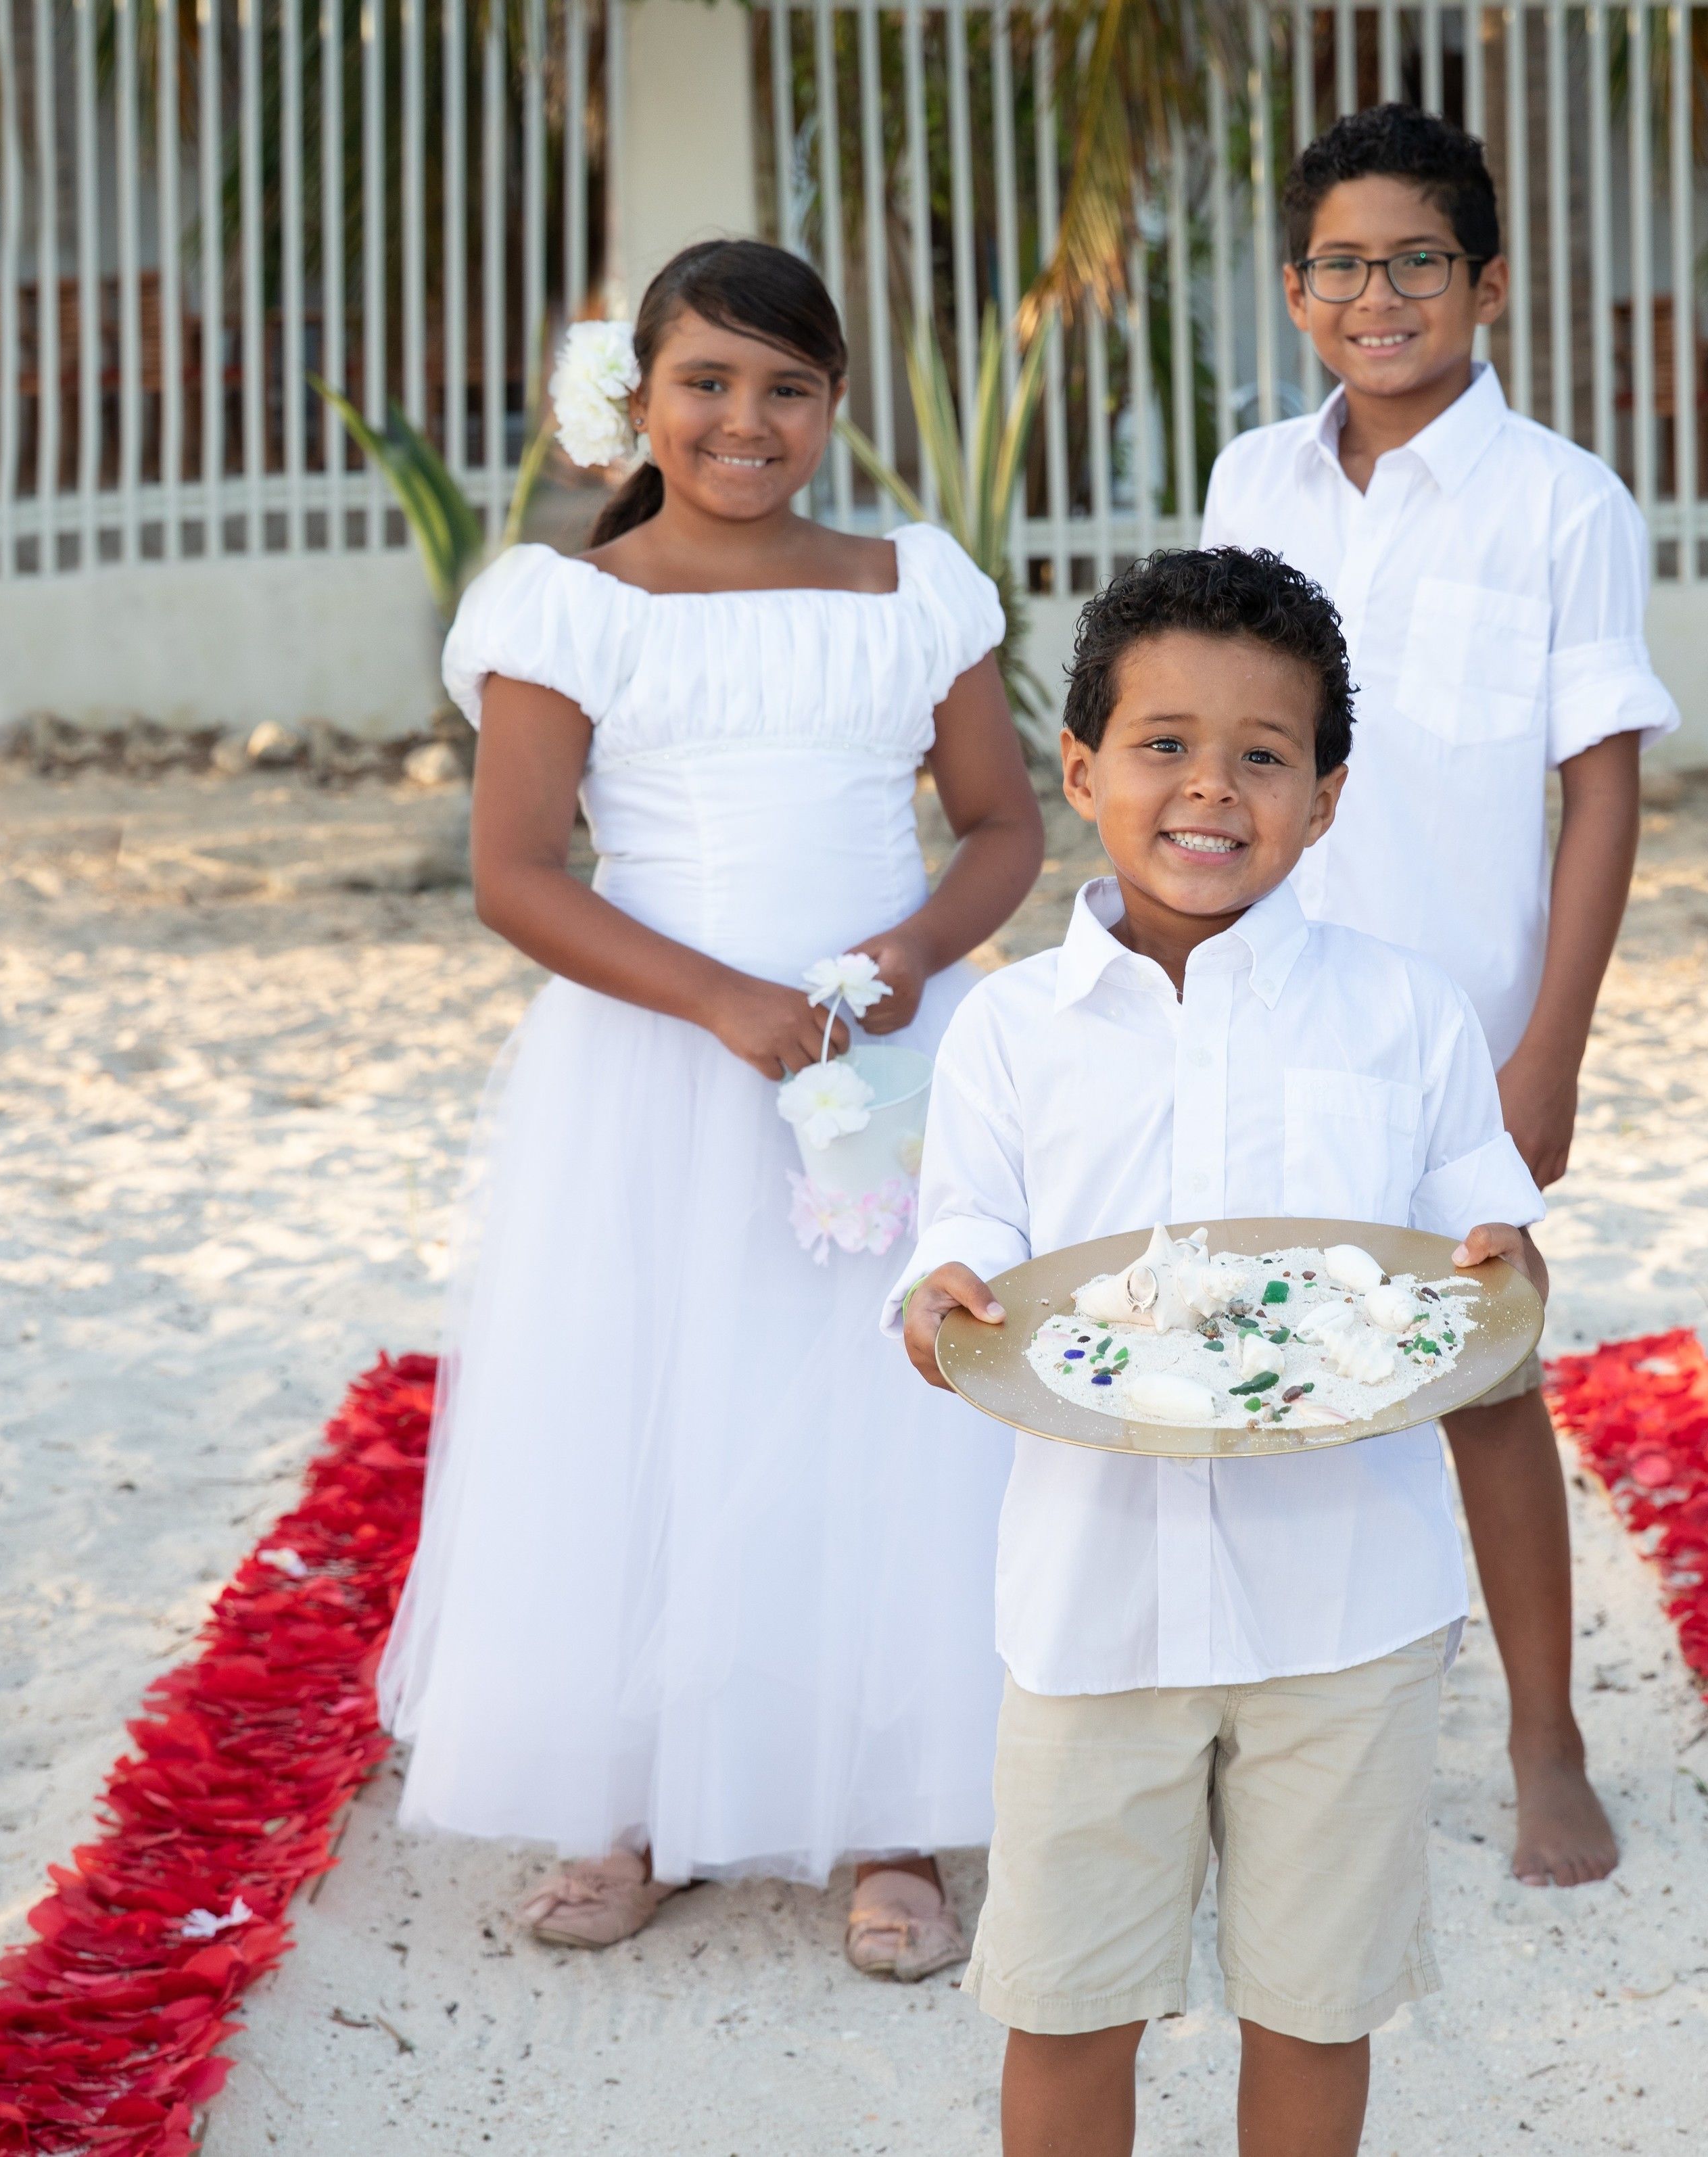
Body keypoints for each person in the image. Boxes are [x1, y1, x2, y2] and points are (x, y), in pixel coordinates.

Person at [376, 239, 1044, 1978]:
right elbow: (518, 876)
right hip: (651, 1063)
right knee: (647, 1403)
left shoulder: (915, 585)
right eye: (709, 382)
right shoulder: (564, 606)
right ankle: (647, 1798)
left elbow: (1001, 826)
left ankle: (891, 1810)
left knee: (875, 1412)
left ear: (834, 405)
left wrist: (904, 955)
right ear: (642, 397)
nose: (748, 423)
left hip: (878, 1058)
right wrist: (724, 1000)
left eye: (788, 388)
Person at [893, 548, 1548, 2157]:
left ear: (1326, 797)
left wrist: (1501, 1266)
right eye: (1164, 744)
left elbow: (1487, 1261)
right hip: (1088, 1612)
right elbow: (957, 1260)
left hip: (1350, 1613)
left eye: (1264, 755)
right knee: (1062, 2004)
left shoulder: (1406, 1013)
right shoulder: (1007, 1031)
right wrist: (940, 1301)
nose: (1212, 788)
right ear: (1079, 770)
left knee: (1317, 2007)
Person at [1199, 101, 1680, 1889]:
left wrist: (1548, 1043)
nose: (1377, 293)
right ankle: (1253, 1719)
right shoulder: (1254, 481)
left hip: (1461, 1020)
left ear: (1485, 282)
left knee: (1485, 1370)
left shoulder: (1564, 501)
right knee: (1244, 1337)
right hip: (1262, 982)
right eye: (1341, 263)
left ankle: (1544, 1734)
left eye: (1416, 261)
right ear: (1295, 288)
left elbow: (1602, 786)